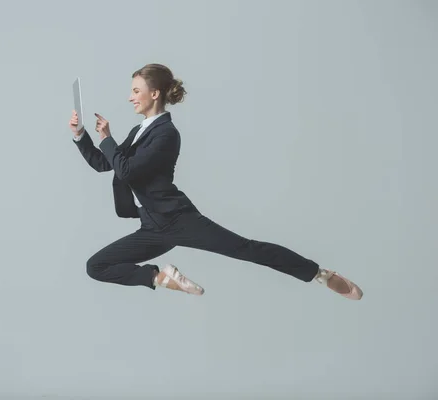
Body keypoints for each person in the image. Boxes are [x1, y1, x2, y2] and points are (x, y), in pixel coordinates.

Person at [68, 63, 363, 300]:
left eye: (135, 90)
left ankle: (320, 274)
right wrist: (81, 135)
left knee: (248, 249)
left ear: (154, 94)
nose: (130, 97)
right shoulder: (138, 131)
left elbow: (128, 172)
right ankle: (159, 277)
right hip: (152, 224)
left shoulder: (166, 134)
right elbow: (104, 164)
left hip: (177, 219)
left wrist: (108, 138)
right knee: (96, 266)